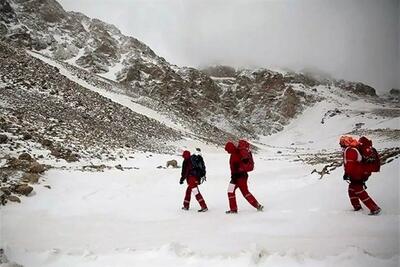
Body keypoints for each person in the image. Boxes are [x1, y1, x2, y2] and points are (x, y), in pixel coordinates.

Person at [340, 136, 381, 215]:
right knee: (351, 189)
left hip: (357, 174)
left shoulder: (350, 150)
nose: (341, 145)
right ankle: (357, 207)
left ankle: (374, 208)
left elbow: (350, 164)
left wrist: (347, 173)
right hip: (361, 172)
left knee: (359, 190)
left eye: (341, 143)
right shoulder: (354, 148)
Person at [224, 140, 263, 214]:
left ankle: (233, 209)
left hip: (237, 177)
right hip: (242, 177)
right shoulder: (237, 153)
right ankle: (257, 205)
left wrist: (234, 176)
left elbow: (236, 167)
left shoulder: (235, 154)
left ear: (230, 148)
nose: (227, 151)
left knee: (230, 191)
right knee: (245, 192)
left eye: (227, 150)